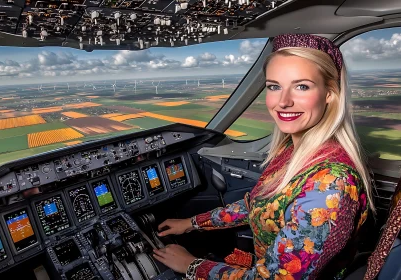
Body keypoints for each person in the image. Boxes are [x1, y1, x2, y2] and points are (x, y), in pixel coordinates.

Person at [151, 34, 373, 280]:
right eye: (274, 86)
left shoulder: (329, 184)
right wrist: (191, 223)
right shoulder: (293, 150)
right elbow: (259, 205)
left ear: (330, 93)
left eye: (302, 86)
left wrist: (192, 265)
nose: (283, 101)